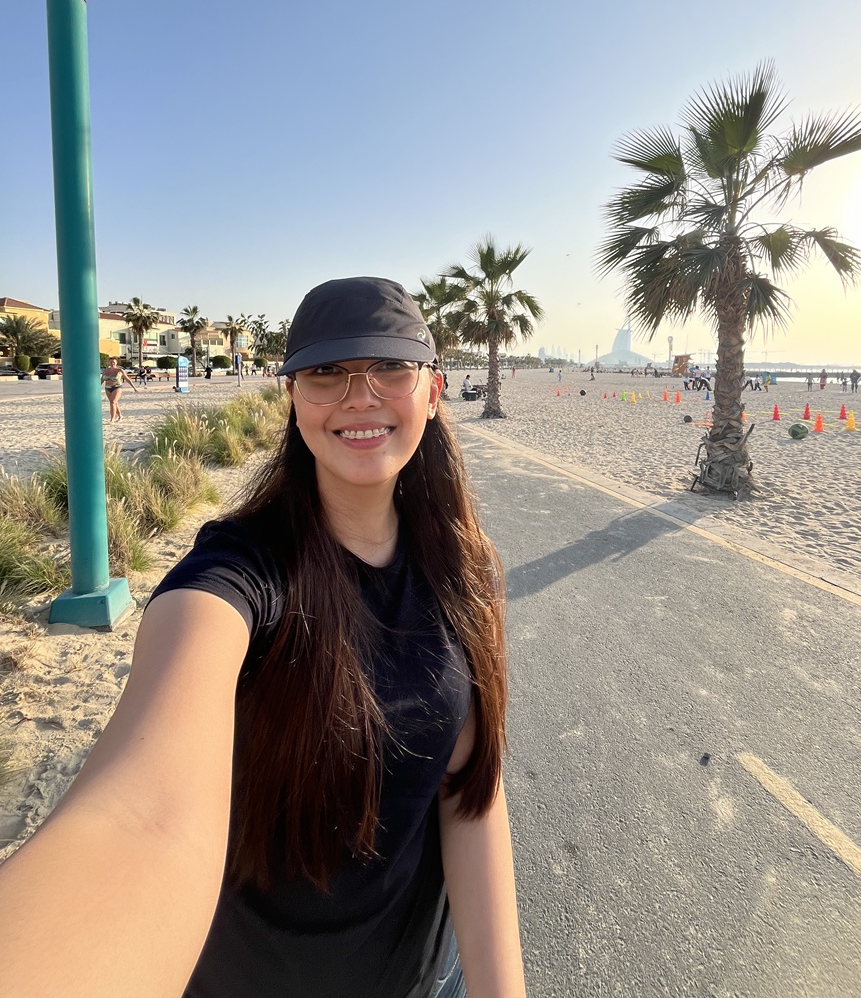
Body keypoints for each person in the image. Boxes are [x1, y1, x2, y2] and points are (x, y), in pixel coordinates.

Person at [0, 277, 525, 998]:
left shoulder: (465, 574)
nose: (359, 395)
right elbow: (142, 820)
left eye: (390, 369)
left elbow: (470, 798)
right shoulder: (240, 574)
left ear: (433, 392)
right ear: (293, 400)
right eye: (326, 373)